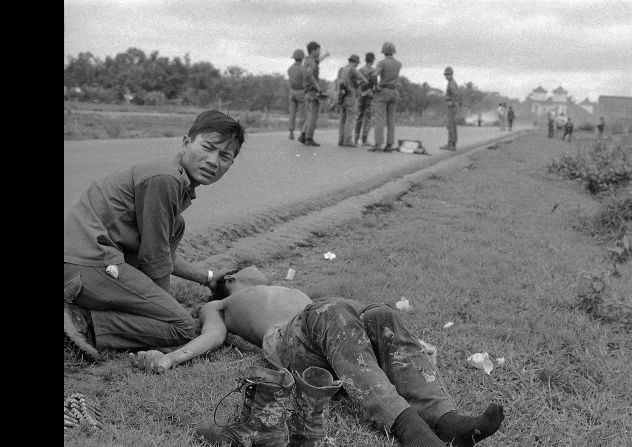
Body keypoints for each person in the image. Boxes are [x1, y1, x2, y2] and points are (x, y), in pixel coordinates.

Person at [131, 266, 505, 447]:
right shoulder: (222, 302)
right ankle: (413, 433)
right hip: (287, 347)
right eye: (247, 270)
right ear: (231, 279)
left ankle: (449, 421)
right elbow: (211, 336)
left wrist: (402, 333)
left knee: (381, 314)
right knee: (329, 311)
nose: (257, 270)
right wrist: (172, 358)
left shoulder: (292, 294)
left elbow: (346, 315)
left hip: (328, 340)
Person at [64, 110, 246, 360]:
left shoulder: (175, 184)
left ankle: (88, 313)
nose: (214, 161)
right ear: (186, 143)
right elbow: (154, 258)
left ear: (230, 164)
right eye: (208, 147)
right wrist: (165, 307)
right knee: (182, 328)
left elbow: (164, 255)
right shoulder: (165, 180)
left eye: (224, 156)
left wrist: (208, 277)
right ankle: (82, 321)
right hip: (83, 262)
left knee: (177, 227)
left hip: (90, 260)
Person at [368, 42, 403, 153]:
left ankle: (378, 144)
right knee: (391, 120)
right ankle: (389, 144)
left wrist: (376, 86)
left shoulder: (382, 63)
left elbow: (374, 75)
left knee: (379, 118)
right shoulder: (398, 64)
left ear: (384, 52)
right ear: (393, 51)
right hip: (394, 92)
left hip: (384, 91)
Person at [299, 41, 330, 147]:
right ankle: (309, 137)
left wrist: (325, 56)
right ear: (313, 50)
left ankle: (303, 134)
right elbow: (309, 74)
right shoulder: (311, 62)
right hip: (312, 90)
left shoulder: (308, 60)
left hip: (308, 89)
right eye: (318, 50)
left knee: (312, 114)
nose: (319, 52)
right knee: (314, 115)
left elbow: (317, 62)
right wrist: (318, 87)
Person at [336, 55, 367, 147]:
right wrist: (357, 84)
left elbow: (338, 81)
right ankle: (348, 140)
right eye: (357, 63)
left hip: (342, 97)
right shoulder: (353, 70)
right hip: (351, 96)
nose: (357, 65)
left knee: (343, 119)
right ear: (355, 62)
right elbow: (364, 80)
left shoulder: (342, 69)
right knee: (350, 119)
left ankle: (341, 140)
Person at [355, 52, 377, 146]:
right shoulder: (374, 71)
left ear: (365, 59)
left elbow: (357, 82)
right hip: (370, 95)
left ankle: (356, 139)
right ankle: (364, 139)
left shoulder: (360, 70)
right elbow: (376, 84)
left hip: (362, 94)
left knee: (359, 117)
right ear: (373, 60)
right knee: (368, 118)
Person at [287, 49, 306, 141]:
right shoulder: (303, 69)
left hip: (292, 92)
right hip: (301, 92)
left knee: (292, 113)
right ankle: (302, 132)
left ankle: (291, 133)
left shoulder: (290, 69)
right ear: (302, 58)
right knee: (302, 113)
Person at [440, 66, 458, 151]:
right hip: (452, 106)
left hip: (451, 106)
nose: (446, 76)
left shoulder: (451, 83)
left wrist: (451, 101)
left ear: (451, 74)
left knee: (450, 125)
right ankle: (452, 143)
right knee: (452, 125)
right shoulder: (452, 82)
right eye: (445, 75)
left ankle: (451, 144)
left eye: (447, 74)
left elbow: (455, 94)